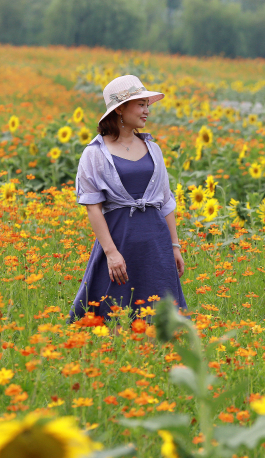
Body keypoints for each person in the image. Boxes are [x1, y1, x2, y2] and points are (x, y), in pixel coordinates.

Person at [68, 74, 187, 324]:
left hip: (156, 244)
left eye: (147, 105)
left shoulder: (153, 149)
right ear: (120, 108)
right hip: (120, 241)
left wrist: (174, 246)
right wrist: (111, 253)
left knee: (160, 315)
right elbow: (93, 208)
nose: (147, 112)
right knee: (114, 311)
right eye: (141, 105)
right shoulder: (95, 154)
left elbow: (165, 201)